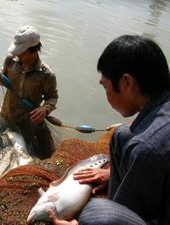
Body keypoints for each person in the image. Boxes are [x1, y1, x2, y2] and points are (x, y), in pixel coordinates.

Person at [48, 35, 170, 225]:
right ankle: (119, 205)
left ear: (127, 83)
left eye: (105, 86)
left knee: (96, 214)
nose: (105, 93)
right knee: (121, 135)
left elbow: (149, 148)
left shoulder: (146, 147)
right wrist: (114, 173)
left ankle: (115, 212)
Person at [0, 25, 58, 159]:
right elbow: (5, 81)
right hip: (6, 116)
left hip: (27, 124)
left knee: (36, 156)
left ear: (34, 51)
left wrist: (45, 109)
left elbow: (52, 97)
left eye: (21, 52)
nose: (16, 54)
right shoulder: (10, 61)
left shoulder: (46, 74)